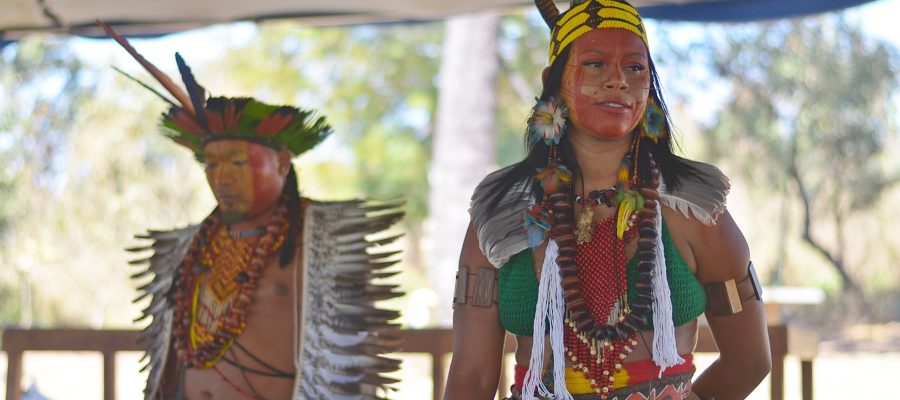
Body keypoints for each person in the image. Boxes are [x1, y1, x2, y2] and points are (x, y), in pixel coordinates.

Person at [445, 1, 770, 399]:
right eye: (596, 64)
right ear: (553, 80)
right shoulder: (501, 216)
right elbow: (471, 378)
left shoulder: (696, 207)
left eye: (635, 67)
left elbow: (750, 360)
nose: (618, 81)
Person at [99, 23, 405, 400]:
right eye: (211, 164)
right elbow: (169, 360)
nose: (221, 176)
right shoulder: (187, 249)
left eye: (237, 162)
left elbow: (344, 366)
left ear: (281, 161)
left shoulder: (321, 243)